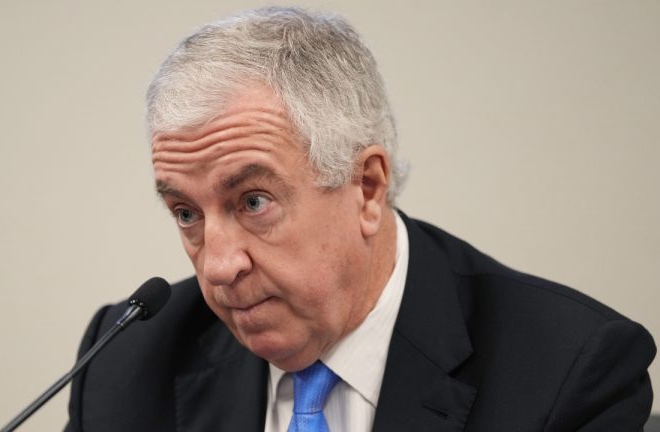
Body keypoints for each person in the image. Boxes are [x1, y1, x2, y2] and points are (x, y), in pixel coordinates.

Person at [65, 7, 655, 431]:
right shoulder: (123, 364)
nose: (217, 266)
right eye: (187, 213)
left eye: (253, 201)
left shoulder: (567, 371)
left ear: (367, 187)